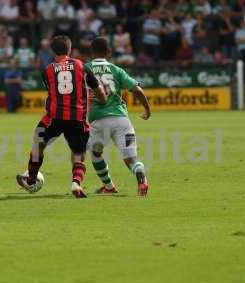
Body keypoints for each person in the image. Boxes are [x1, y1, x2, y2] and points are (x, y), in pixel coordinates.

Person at [16, 35, 107, 198]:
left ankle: (30, 178)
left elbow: (53, 92)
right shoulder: (82, 66)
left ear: (52, 51)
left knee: (38, 143)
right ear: (69, 49)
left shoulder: (47, 70)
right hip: (77, 118)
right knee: (78, 153)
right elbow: (99, 92)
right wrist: (101, 99)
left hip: (54, 118)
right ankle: (76, 183)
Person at [87, 37, 151, 197]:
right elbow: (137, 90)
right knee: (131, 158)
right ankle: (141, 176)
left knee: (95, 154)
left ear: (91, 52)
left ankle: (108, 186)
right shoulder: (117, 70)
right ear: (108, 52)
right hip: (122, 121)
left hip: (98, 121)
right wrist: (147, 109)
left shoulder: (85, 69)